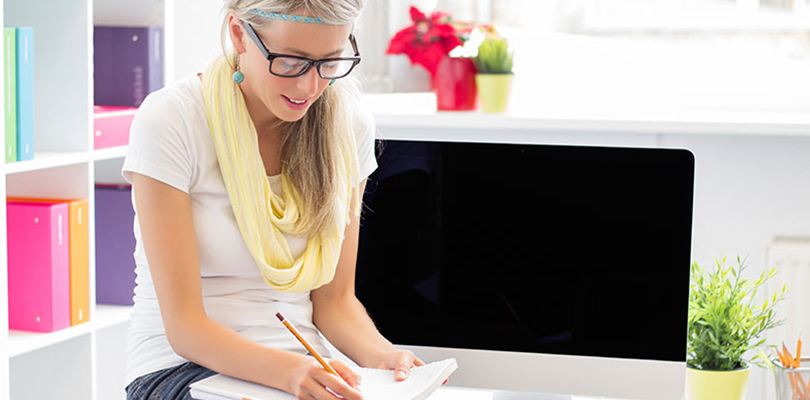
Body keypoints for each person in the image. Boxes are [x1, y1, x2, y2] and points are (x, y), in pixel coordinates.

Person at [121, 1, 423, 399]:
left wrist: (386, 359)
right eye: (291, 61)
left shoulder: (348, 125)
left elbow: (335, 303)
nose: (309, 87)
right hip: (181, 368)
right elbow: (185, 328)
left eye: (330, 62)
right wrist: (291, 372)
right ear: (239, 34)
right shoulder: (172, 119)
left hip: (300, 360)